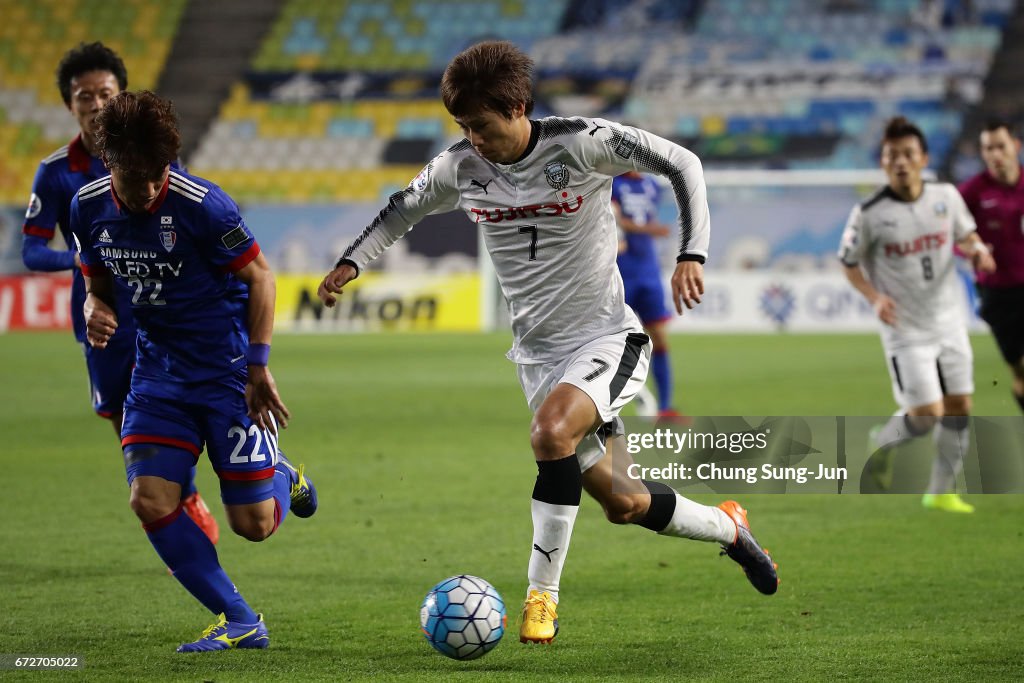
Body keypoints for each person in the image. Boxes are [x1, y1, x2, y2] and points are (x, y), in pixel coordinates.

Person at [317, 40, 778, 646]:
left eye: (481, 125)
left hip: (607, 337)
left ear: (518, 107)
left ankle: (542, 598)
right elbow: (400, 210)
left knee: (549, 434)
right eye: (463, 127)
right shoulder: (461, 168)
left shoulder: (582, 142)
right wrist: (351, 264)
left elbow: (683, 163)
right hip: (538, 359)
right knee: (626, 502)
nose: (474, 139)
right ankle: (728, 527)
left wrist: (691, 253)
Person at [71, 91, 318, 652]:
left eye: (159, 176)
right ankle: (240, 619)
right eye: (138, 180)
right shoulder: (86, 207)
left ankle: (283, 475)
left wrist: (258, 367)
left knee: (253, 526)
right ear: (110, 164)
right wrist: (94, 306)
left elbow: (261, 277)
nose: (152, 189)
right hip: (157, 375)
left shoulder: (204, 204)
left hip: (226, 371)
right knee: (150, 498)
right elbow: (96, 280)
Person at [21, 42, 218, 544]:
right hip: (101, 311)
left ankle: (198, 488)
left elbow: (190, 214)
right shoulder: (56, 172)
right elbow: (33, 251)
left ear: (120, 95)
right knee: (118, 412)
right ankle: (180, 491)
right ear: (70, 105)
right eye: (83, 96)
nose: (94, 103)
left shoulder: (152, 157)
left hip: (162, 308)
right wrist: (88, 260)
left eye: (104, 92)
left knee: (178, 399)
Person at [839, 116, 996, 512]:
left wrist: (977, 250)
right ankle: (881, 441)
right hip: (905, 329)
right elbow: (848, 262)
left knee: (960, 406)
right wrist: (874, 297)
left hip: (949, 319)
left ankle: (941, 491)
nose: (902, 162)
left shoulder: (946, 197)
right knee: (926, 415)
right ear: (883, 162)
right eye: (893, 156)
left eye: (909, 154)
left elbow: (966, 235)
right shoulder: (869, 213)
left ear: (924, 158)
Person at [958, 120, 1024, 414]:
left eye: (1001, 146)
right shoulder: (972, 192)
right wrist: (972, 251)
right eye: (988, 148)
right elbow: (951, 234)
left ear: (1016, 147)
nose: (995, 154)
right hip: (998, 296)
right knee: (1021, 371)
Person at [612, 170, 684, 418]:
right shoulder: (611, 183)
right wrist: (648, 230)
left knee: (660, 339)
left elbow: (647, 216)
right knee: (615, 343)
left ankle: (665, 408)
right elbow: (615, 219)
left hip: (649, 271)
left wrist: (648, 229)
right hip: (621, 270)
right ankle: (611, 409)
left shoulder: (652, 185)